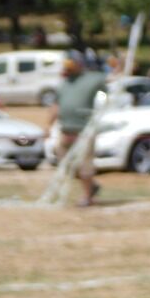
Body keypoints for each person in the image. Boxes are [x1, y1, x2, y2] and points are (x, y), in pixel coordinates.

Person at [49, 52, 105, 207]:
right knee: (65, 166)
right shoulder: (64, 83)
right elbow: (56, 105)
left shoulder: (92, 79)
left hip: (84, 132)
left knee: (85, 166)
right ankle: (92, 186)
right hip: (65, 131)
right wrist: (48, 125)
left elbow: (107, 87)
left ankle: (87, 196)